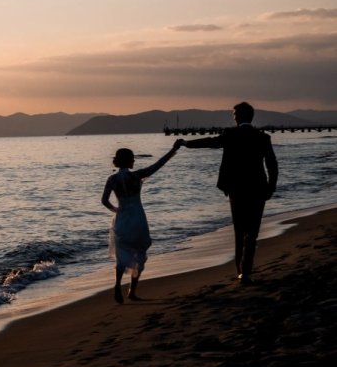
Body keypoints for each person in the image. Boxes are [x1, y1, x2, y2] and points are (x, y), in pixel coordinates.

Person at [182, 102, 278, 284]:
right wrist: (271, 186)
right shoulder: (263, 138)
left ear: (239, 116)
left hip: (236, 188)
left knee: (239, 229)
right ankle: (247, 268)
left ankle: (241, 272)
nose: (233, 117)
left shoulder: (231, 134)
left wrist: (187, 143)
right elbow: (272, 163)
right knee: (253, 230)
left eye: (234, 114)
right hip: (258, 187)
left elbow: (211, 143)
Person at [102, 141, 183, 304]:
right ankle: (132, 291)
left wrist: (116, 210)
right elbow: (158, 164)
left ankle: (117, 285)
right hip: (138, 218)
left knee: (121, 255)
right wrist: (173, 149)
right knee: (139, 253)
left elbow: (104, 201)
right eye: (132, 158)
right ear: (129, 160)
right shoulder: (136, 175)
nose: (134, 161)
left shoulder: (112, 179)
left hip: (123, 218)